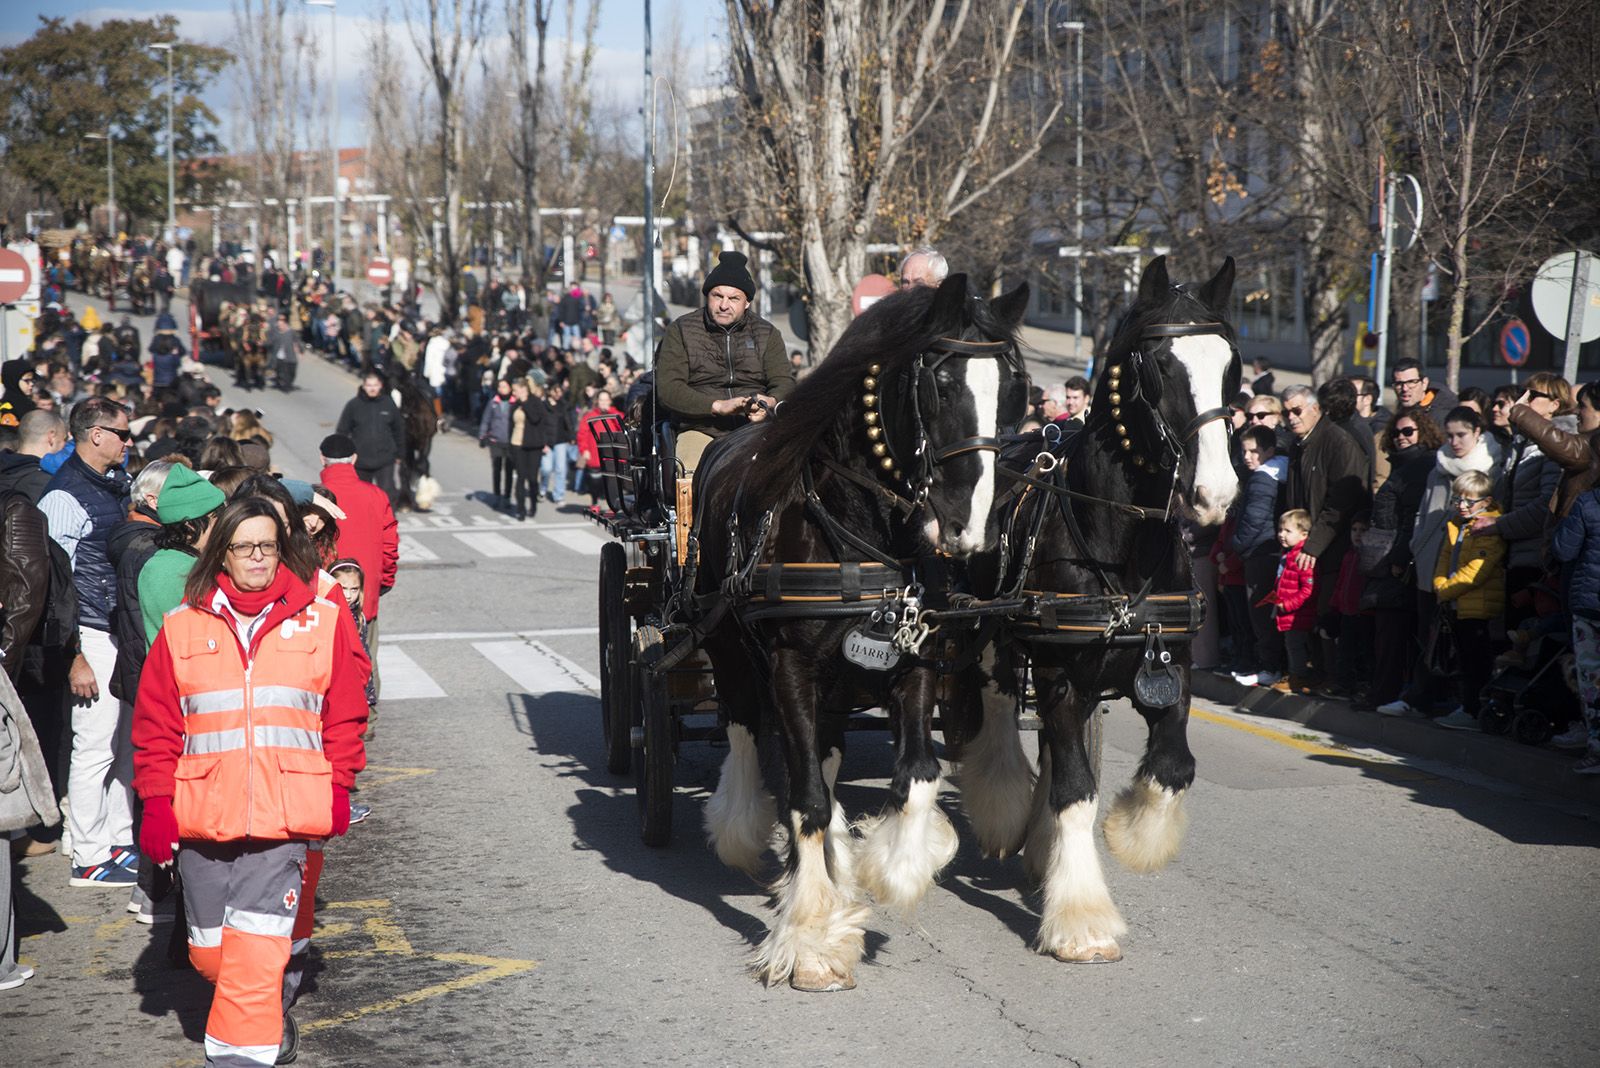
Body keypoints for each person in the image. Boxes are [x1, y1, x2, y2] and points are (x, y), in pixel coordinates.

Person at [132, 497, 369, 1067]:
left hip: (286, 815)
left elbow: (344, 712)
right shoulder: (183, 626)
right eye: (245, 546)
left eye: (268, 545)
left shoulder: (323, 617)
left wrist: (339, 785)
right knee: (213, 954)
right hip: (203, 813)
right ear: (223, 554)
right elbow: (156, 723)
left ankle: (243, 1052)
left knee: (257, 953)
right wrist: (157, 805)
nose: (258, 557)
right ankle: (263, 1001)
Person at [37, 397, 138, 888]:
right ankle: (89, 855)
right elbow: (53, 584)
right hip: (91, 636)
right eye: (123, 433)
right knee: (94, 746)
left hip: (115, 631)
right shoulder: (64, 496)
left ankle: (118, 840)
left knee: (122, 745)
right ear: (96, 434)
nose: (129, 442)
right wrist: (75, 653)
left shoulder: (113, 485)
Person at [1379, 407, 1500, 717]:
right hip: (1429, 564)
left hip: (1464, 572)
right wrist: (1417, 545)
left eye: (1461, 435)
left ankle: (1464, 704)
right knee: (1429, 636)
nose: (1455, 442)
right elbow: (1423, 512)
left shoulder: (1489, 466)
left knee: (1467, 644)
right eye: (1450, 435)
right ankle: (1419, 699)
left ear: (1477, 432)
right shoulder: (1439, 464)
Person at [655, 251, 795, 474]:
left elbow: (784, 382)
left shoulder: (767, 333)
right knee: (689, 474)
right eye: (717, 296)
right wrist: (717, 406)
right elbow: (669, 390)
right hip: (701, 429)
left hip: (755, 428)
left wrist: (769, 401)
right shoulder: (680, 330)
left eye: (733, 298)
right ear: (707, 296)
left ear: (747, 302)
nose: (723, 305)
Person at [1283, 384, 1370, 682]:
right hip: (1305, 545)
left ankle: (1334, 679)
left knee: (1326, 616)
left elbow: (1340, 504)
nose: (1291, 418)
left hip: (1333, 548)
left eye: (1297, 410)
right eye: (1287, 412)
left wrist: (1313, 545)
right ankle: (1313, 673)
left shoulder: (1338, 442)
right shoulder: (1299, 444)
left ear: (1315, 409)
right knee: (1303, 614)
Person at [1472, 374, 1575, 620]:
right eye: (1522, 392)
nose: (1523, 399)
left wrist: (1499, 525)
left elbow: (1546, 506)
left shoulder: (1557, 444)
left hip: (1537, 561)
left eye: (1533, 395)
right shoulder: (1523, 442)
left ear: (1555, 405)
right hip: (1515, 555)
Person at [1365, 408, 1443, 710]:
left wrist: (1399, 558)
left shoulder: (1423, 465)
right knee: (1388, 633)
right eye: (1395, 433)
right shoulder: (1402, 465)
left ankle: (1393, 695)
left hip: (1404, 562)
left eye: (1408, 432)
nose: (1401, 438)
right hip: (1388, 557)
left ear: (1423, 432)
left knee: (1396, 633)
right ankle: (1387, 693)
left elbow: (1415, 519)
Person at [318, 434, 398, 699]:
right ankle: (368, 713)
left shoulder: (318, 499)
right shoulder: (375, 495)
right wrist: (383, 581)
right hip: (365, 591)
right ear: (354, 459)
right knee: (366, 652)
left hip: (324, 591)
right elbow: (389, 544)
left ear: (322, 459)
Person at [1428, 470, 1505, 733]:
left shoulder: (1490, 527)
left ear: (1485, 501)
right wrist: (1438, 583)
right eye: (1457, 500)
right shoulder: (1458, 524)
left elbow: (1476, 571)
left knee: (1476, 661)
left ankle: (1473, 710)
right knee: (1462, 659)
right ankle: (1465, 706)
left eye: (1468, 501)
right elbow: (1444, 558)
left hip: (1477, 606)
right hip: (1457, 603)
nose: (1461, 506)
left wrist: (1445, 590)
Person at [1230, 425, 1290, 687]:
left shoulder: (1263, 479)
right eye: (1244, 451)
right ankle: (1270, 666)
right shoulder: (1277, 473)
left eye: (1254, 451)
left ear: (1269, 450)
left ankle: (1269, 667)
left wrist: (1237, 546)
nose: (1247, 457)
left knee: (1261, 614)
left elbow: (1253, 521)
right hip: (1268, 552)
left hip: (1260, 554)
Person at [1552, 473, 1600, 773]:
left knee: (1591, 682)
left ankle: (1596, 749)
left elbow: (1563, 550)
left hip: (1588, 605)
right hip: (1587, 603)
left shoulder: (1587, 502)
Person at [335, 371, 406, 504]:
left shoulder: (389, 404)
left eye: (375, 385)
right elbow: (342, 431)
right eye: (369, 385)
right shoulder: (353, 405)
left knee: (386, 495)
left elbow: (399, 430)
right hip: (360, 461)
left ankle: (387, 523)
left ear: (380, 386)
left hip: (385, 459)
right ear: (363, 386)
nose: (372, 388)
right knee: (362, 498)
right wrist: (342, 456)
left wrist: (400, 454)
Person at [1273, 509, 1318, 693]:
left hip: (1297, 614)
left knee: (1295, 646)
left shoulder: (1301, 557)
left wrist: (1288, 604)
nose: (1281, 534)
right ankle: (1295, 675)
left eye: (1287, 531)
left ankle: (1298, 678)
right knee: (1291, 645)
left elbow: (1308, 589)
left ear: (1304, 534)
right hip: (1287, 613)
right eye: (1280, 530)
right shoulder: (1288, 554)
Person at [0, 410, 67, 504]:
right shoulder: (46, 484)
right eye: (64, 439)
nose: (64, 445)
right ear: (51, 437)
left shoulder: (4, 467)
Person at [508, 378, 549, 521]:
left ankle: (533, 504)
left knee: (532, 478)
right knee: (520, 477)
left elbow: (536, 419)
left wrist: (525, 403)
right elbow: (510, 424)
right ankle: (521, 509)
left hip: (533, 445)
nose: (513, 393)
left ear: (523, 389)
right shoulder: (515, 404)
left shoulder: (535, 402)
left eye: (515, 390)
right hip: (517, 443)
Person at [478, 378, 516, 508]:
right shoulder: (493, 402)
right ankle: (496, 495)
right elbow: (486, 420)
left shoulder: (514, 403)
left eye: (504, 387)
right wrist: (482, 436)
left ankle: (507, 496)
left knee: (509, 470)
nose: (502, 389)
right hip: (495, 440)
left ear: (510, 388)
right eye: (500, 387)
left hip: (511, 442)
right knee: (497, 469)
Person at [1388, 358, 1457, 420]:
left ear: (1424, 383)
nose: (1405, 389)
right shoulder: (1402, 410)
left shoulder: (1442, 415)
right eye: (1399, 384)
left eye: (1411, 382)